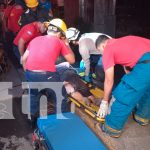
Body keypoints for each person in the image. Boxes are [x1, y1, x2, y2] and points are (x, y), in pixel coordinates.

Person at [22, 18, 75, 127]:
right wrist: (67, 44)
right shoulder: (60, 42)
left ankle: (32, 121)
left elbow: (24, 59)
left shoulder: (35, 39)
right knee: (60, 94)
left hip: (29, 72)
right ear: (60, 33)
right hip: (46, 75)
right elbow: (72, 60)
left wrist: (28, 74)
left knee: (33, 94)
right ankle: (61, 121)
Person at [95, 35, 150, 137]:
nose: (102, 54)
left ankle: (111, 129)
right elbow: (130, 59)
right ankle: (142, 117)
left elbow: (109, 80)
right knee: (147, 92)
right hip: (146, 60)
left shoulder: (108, 49)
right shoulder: (122, 41)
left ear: (103, 46)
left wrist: (105, 101)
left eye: (100, 51)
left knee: (123, 95)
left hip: (147, 65)